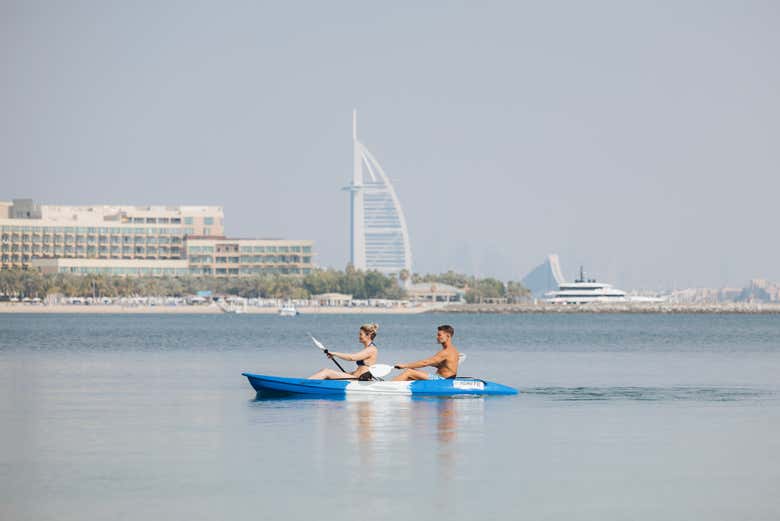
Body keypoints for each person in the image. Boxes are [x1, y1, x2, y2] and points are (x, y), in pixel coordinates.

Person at [308, 323, 380, 380]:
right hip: (354, 377)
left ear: (368, 335)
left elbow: (352, 357)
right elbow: (360, 369)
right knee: (328, 376)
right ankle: (306, 384)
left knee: (326, 371)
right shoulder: (367, 348)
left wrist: (334, 353)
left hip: (359, 380)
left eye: (361, 334)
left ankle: (303, 384)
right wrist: (348, 374)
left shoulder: (371, 349)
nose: (359, 336)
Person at [393, 325, 459, 381]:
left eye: (439, 335)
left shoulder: (446, 352)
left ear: (448, 336)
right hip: (444, 378)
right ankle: (396, 385)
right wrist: (432, 364)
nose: (437, 337)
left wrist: (404, 366)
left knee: (409, 372)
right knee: (412, 371)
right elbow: (445, 366)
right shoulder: (453, 350)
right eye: (437, 335)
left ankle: (388, 385)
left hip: (442, 380)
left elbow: (425, 363)